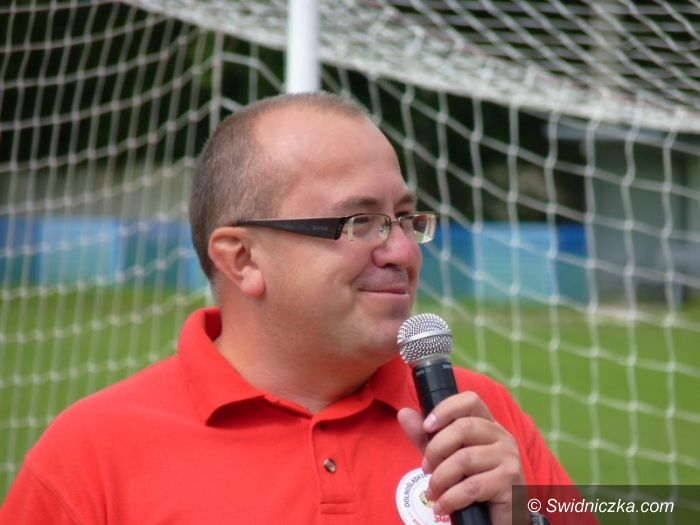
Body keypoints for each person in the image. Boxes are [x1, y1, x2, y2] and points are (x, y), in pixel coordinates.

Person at [1, 92, 575, 525]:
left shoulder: (478, 418)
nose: (402, 251)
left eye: (405, 218)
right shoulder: (93, 453)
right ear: (243, 259)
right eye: (360, 223)